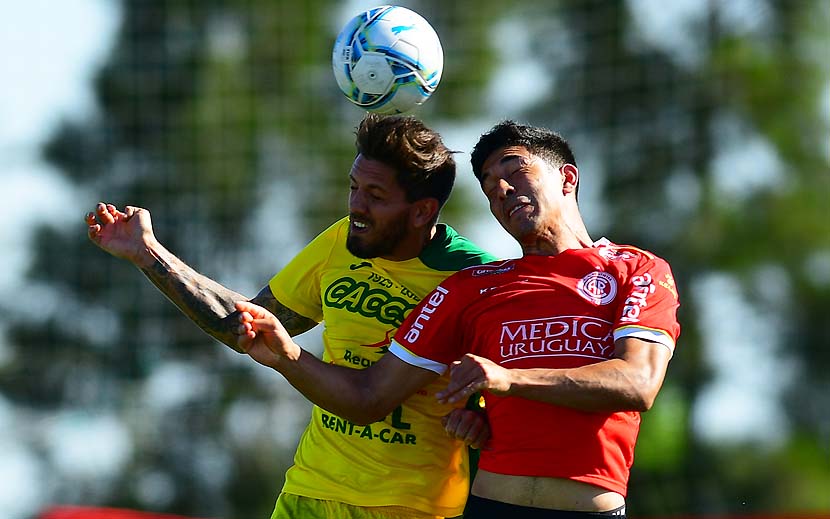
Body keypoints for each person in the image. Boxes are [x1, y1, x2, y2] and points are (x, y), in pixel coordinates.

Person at [235, 120, 681, 519]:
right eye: (489, 186)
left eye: (514, 170)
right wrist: (288, 355)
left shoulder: (635, 269)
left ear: (567, 178)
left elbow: (637, 384)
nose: (501, 190)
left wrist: (506, 381)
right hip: (490, 506)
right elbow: (369, 397)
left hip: (591, 508)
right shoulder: (472, 286)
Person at [86, 113, 497, 519]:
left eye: (376, 195)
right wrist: (148, 253)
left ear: (422, 211)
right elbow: (247, 327)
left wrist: (479, 413)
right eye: (354, 187)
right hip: (308, 491)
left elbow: (509, 383)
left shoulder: (474, 277)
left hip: (408, 506)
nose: (357, 205)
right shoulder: (342, 240)